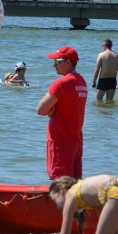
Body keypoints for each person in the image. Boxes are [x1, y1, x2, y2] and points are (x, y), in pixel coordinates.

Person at [37, 46, 88, 180]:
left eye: (57, 61)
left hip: (60, 141)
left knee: (61, 185)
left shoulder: (61, 83)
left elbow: (40, 110)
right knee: (75, 184)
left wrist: (50, 111)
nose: (54, 65)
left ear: (68, 62)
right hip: (75, 140)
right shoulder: (82, 81)